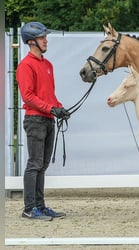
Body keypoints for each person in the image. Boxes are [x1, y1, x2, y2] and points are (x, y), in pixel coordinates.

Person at [16, 22, 70, 221]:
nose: (46, 40)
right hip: (35, 120)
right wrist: (50, 108)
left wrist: (59, 108)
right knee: (35, 163)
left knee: (43, 164)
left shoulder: (47, 65)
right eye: (42, 38)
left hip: (47, 119)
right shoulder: (25, 65)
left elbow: (49, 95)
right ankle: (29, 208)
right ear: (31, 42)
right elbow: (28, 96)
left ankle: (40, 205)